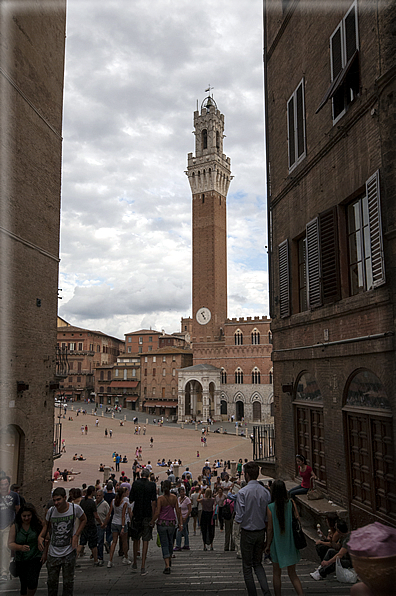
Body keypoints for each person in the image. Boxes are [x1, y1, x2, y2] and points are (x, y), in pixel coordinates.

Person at [38, 486, 86, 596]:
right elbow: (47, 526)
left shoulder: (74, 509)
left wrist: (76, 535)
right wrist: (40, 537)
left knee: (68, 583)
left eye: (58, 499)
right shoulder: (51, 512)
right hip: (53, 552)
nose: (56, 503)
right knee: (51, 583)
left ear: (65, 498)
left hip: (68, 552)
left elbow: (84, 519)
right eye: (54, 500)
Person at [235, 461, 271, 596]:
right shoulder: (265, 492)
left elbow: (239, 516)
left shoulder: (242, 492)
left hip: (247, 532)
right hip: (261, 531)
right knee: (258, 564)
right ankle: (266, 592)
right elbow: (268, 515)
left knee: (247, 567)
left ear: (247, 475)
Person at [265, 479, 303, 596]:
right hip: (290, 542)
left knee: (276, 573)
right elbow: (298, 520)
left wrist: (267, 545)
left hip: (277, 544)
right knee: (293, 574)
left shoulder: (270, 507)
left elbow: (270, 529)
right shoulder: (291, 503)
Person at [8, 503, 44, 596]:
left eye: (29, 516)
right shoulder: (15, 526)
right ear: (20, 516)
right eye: (24, 516)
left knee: (32, 580)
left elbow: (46, 535)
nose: (26, 518)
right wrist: (20, 547)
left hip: (35, 556)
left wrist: (42, 543)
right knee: (23, 583)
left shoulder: (37, 524)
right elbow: (10, 543)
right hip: (21, 558)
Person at [150, 480, 182, 575]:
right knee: (170, 542)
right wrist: (180, 523)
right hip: (172, 523)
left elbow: (157, 512)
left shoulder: (160, 498)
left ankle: (167, 565)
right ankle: (170, 556)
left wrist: (152, 521)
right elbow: (178, 511)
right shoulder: (174, 497)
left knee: (164, 543)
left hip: (162, 523)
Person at [129, 468, 157, 576]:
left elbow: (131, 499)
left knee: (136, 539)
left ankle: (135, 561)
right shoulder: (152, 485)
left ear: (141, 475)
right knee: (146, 540)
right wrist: (153, 517)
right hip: (147, 514)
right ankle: (143, 565)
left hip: (137, 514)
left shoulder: (135, 484)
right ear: (149, 475)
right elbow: (153, 502)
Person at [103, 487, 130, 568]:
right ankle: (125, 557)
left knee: (114, 542)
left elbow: (109, 513)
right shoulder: (124, 503)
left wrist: (105, 523)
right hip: (121, 523)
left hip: (114, 522)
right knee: (124, 541)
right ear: (123, 494)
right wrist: (122, 527)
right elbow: (123, 516)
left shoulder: (113, 501)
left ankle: (110, 560)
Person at [0, 474, 20, 581]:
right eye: (2, 484)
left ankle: (4, 572)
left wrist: (16, 524)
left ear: (8, 484)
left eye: (5, 484)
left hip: (8, 525)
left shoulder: (14, 496)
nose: (4, 486)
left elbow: (18, 510)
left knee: (5, 547)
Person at [77, 485, 101, 565]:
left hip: (84, 525)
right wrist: (101, 523)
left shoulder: (83, 501)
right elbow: (96, 515)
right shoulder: (92, 503)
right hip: (91, 525)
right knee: (94, 544)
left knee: (81, 543)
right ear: (93, 492)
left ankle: (74, 560)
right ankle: (96, 560)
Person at [94, 489, 109, 566]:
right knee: (94, 541)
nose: (98, 497)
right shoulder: (93, 503)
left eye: (100, 495)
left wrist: (105, 523)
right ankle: (95, 555)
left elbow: (108, 515)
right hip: (94, 525)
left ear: (102, 496)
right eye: (97, 495)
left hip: (101, 525)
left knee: (100, 541)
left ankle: (100, 557)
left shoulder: (105, 504)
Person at [174, 486, 192, 551]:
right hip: (180, 516)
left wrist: (186, 516)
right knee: (184, 530)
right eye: (181, 492)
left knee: (179, 530)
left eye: (183, 492)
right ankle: (186, 544)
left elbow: (190, 509)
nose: (182, 493)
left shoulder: (187, 499)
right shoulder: (178, 499)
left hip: (185, 516)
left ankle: (178, 545)